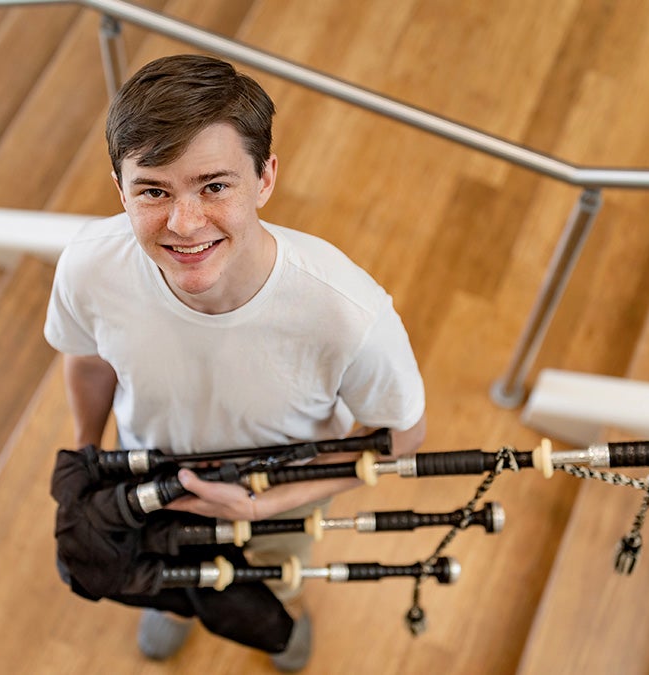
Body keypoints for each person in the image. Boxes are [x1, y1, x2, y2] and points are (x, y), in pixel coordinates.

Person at [44, 53, 426, 672]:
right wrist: (89, 454)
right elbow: (87, 360)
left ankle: (286, 609)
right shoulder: (89, 266)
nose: (184, 224)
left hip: (282, 497)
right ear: (120, 190)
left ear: (265, 178)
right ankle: (173, 603)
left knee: (275, 577)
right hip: (146, 477)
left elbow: (402, 438)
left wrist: (265, 506)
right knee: (164, 569)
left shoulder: (349, 314)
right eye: (153, 191)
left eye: (214, 186)